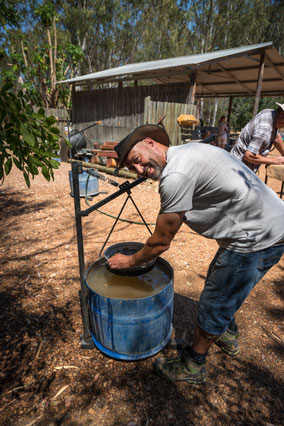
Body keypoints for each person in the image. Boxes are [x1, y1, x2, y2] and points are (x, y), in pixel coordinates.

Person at [109, 124, 284, 385]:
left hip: (255, 238)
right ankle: (227, 334)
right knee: (223, 285)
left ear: (150, 143)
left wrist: (130, 261)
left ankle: (193, 365)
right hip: (267, 225)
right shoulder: (188, 151)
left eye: (136, 160)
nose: (138, 170)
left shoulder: (176, 174)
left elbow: (159, 243)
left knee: (215, 301)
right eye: (131, 168)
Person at [230, 103, 284, 173]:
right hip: (238, 169)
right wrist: (274, 160)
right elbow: (249, 156)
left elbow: (276, 137)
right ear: (282, 115)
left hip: (236, 163)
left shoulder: (270, 113)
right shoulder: (265, 130)